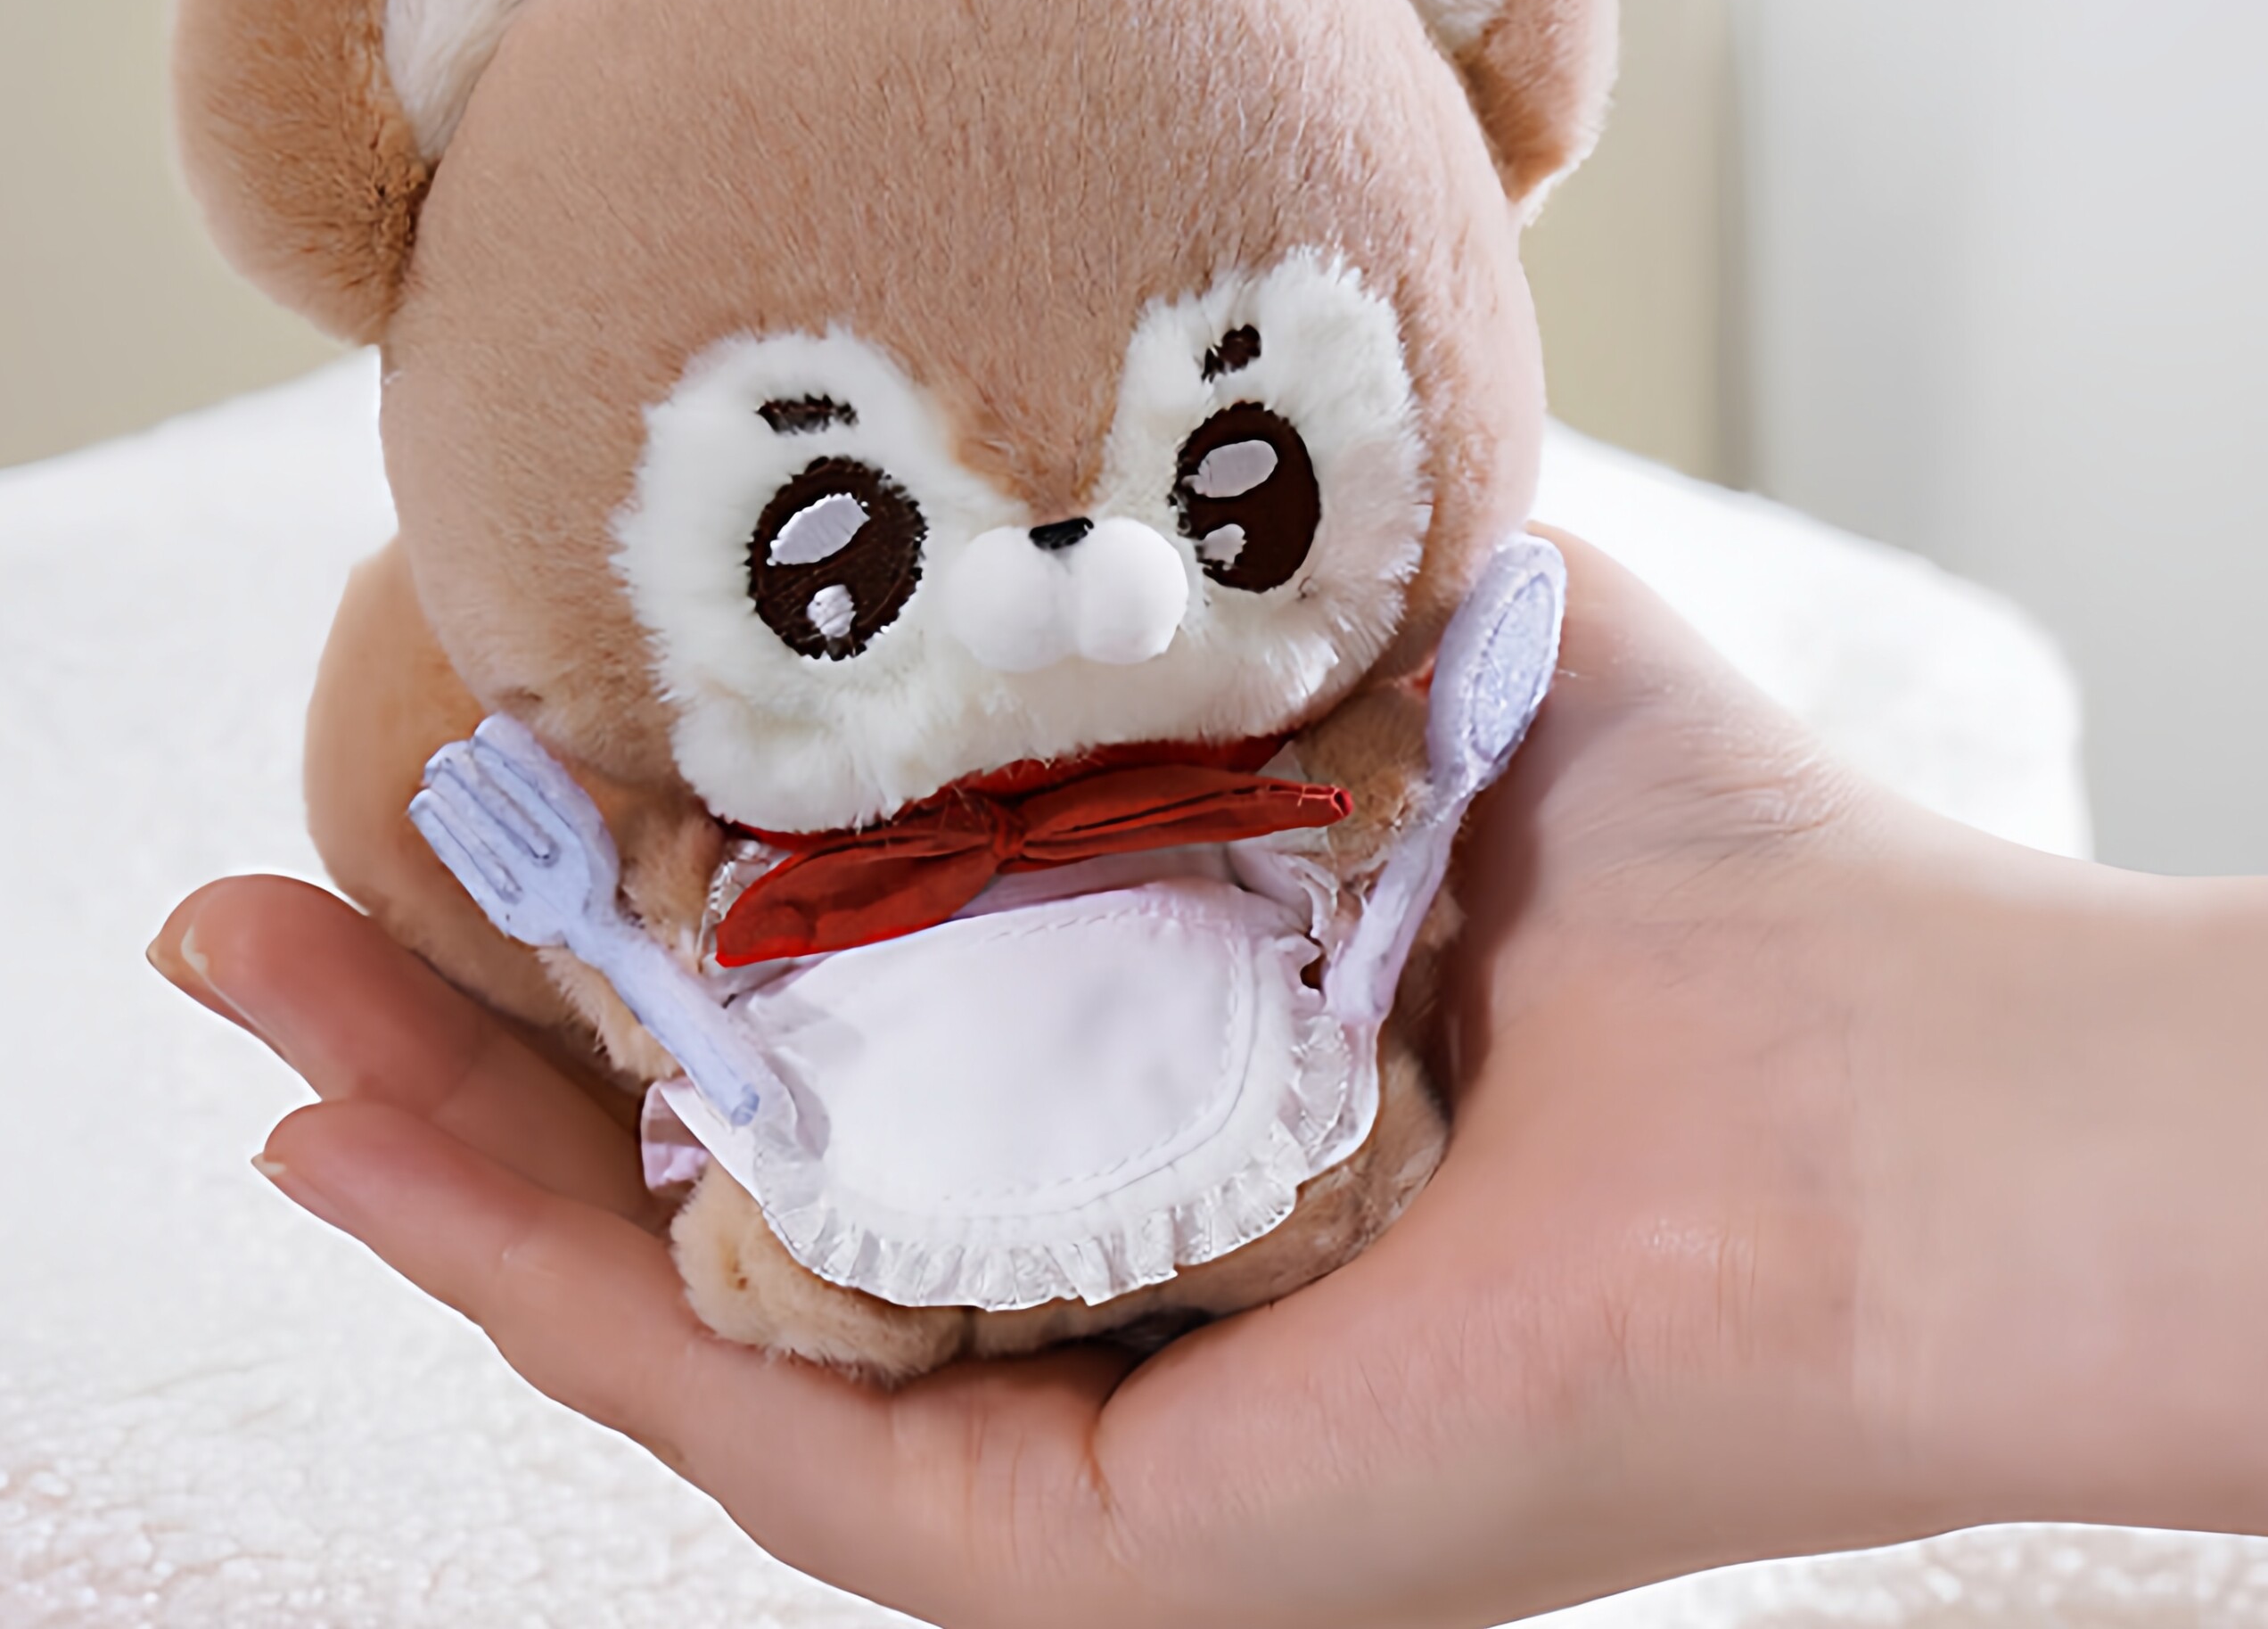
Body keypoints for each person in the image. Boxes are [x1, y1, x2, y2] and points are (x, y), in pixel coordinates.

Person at [149, 534, 2268, 1626]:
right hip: (896, 1138)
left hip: (1236, 1122)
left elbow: (1376, 849)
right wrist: (615, 950)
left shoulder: (1282, 799)